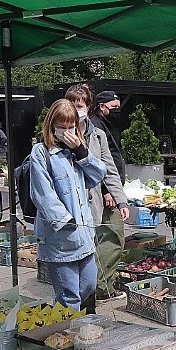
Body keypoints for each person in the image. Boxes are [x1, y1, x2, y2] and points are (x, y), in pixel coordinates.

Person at [30, 99, 106, 310]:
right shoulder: (41, 152)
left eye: (70, 127)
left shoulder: (77, 150)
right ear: (51, 125)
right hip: (60, 237)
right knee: (69, 296)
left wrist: (81, 152)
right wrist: (64, 220)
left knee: (89, 285)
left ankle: (56, 317)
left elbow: (98, 175)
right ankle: (66, 336)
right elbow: (42, 193)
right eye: (61, 128)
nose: (66, 132)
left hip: (84, 234)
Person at [67, 85, 130, 304]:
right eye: (73, 106)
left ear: (89, 107)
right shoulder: (59, 135)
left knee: (93, 253)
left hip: (92, 205)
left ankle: (91, 301)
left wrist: (121, 199)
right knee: (80, 259)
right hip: (71, 209)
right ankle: (81, 303)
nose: (77, 111)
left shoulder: (98, 135)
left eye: (80, 106)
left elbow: (110, 169)